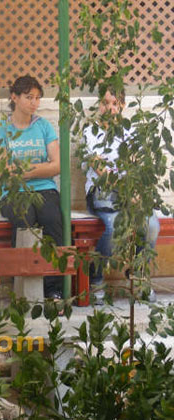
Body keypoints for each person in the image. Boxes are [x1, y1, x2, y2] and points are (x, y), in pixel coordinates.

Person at [0, 75, 63, 300]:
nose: (34, 103)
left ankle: (53, 288)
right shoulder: (0, 129)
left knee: (52, 219)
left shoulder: (43, 126)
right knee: (25, 221)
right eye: (29, 97)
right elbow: (4, 170)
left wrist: (24, 171)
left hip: (45, 189)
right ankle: (23, 288)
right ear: (14, 97)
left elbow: (57, 165)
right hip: (14, 192)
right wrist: (40, 167)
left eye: (37, 98)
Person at [83, 86, 159, 304]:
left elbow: (137, 165)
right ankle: (96, 278)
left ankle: (139, 275)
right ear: (99, 105)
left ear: (123, 105)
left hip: (131, 191)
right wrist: (126, 189)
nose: (110, 108)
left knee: (151, 225)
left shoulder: (131, 131)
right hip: (103, 192)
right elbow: (99, 169)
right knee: (114, 227)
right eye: (105, 103)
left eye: (115, 103)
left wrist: (136, 191)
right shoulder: (90, 131)